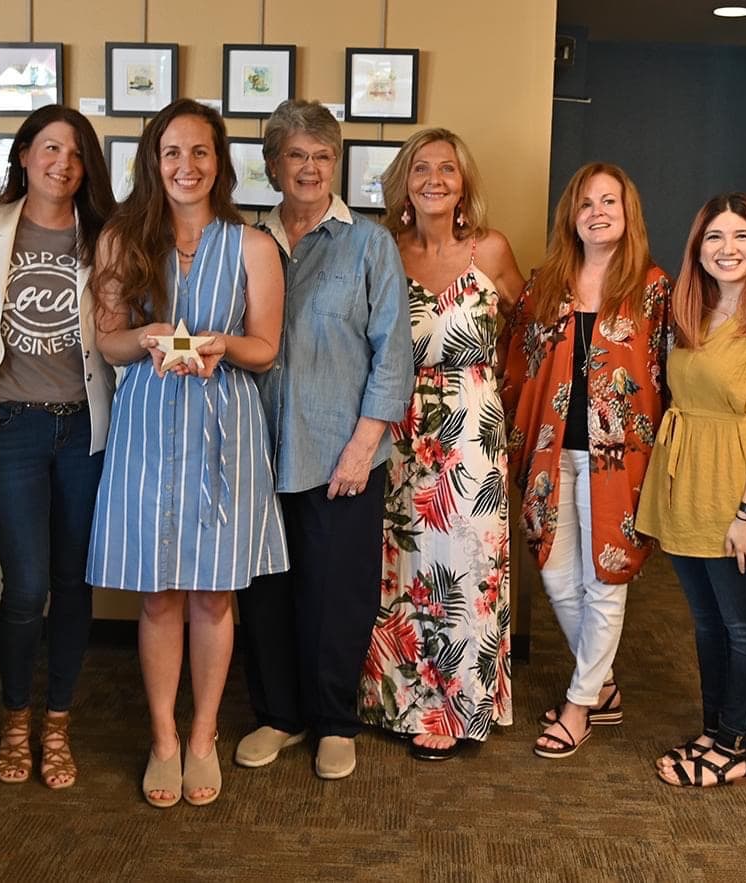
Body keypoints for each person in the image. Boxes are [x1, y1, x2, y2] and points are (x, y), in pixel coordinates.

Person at [86, 99, 287, 808]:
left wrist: (221, 345)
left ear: (219, 162)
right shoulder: (122, 239)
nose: (186, 166)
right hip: (146, 426)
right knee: (158, 592)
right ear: (153, 159)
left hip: (222, 426)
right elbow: (106, 340)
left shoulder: (254, 245)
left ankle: (202, 735)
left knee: (213, 592)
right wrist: (144, 338)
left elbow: (264, 350)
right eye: (172, 152)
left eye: (200, 152)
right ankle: (163, 738)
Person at [234, 99, 413, 780]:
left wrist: (364, 445)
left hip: (342, 452)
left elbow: (392, 353)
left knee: (337, 593)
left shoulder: (369, 244)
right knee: (267, 591)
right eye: (295, 155)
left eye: (322, 155)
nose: (309, 168)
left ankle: (335, 719)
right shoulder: (246, 242)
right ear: (273, 164)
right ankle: (278, 713)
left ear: (335, 163)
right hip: (255, 450)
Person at [0, 105, 114, 790]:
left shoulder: (103, 236)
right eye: (50, 148)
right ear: (23, 154)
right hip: (9, 426)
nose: (63, 164)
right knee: (25, 585)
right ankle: (15, 716)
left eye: (77, 155)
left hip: (84, 426)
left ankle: (58, 722)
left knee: (74, 582)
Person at [357, 128, 524, 760]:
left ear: (463, 183)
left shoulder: (492, 249)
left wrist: (492, 383)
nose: (434, 179)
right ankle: (396, 704)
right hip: (398, 433)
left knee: (469, 569)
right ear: (404, 182)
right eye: (421, 168)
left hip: (472, 441)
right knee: (398, 574)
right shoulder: (383, 250)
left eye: (447, 169)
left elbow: (530, 327)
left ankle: (459, 711)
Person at [637, 193, 746, 788]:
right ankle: (712, 733)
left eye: (741, 236)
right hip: (684, 480)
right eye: (715, 237)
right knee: (708, 623)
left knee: (744, 625)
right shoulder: (695, 311)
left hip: (737, 486)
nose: (727, 249)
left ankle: (737, 745)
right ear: (698, 248)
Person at [502, 162, 670, 759]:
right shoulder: (546, 283)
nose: (598, 212)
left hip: (619, 461)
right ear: (571, 216)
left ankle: (579, 704)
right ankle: (602, 685)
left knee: (605, 579)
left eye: (610, 202)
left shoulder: (652, 287)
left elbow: (670, 376)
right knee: (554, 573)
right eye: (586, 203)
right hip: (551, 452)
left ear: (629, 215)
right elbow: (515, 363)